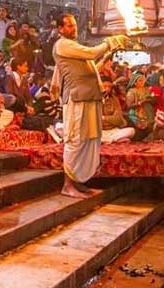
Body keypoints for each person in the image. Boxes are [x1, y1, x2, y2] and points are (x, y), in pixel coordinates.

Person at [51, 12, 126, 198]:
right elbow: (91, 53)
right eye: (68, 25)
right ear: (60, 29)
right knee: (75, 141)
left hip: (90, 99)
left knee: (88, 141)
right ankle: (67, 186)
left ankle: (79, 183)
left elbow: (91, 69)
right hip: (77, 100)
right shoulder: (62, 44)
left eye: (74, 24)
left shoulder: (73, 46)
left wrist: (109, 53)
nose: (73, 28)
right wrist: (110, 41)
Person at [101, 75, 134, 143]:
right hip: (99, 131)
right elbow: (95, 120)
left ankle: (108, 140)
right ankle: (115, 140)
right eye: (104, 86)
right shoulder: (94, 100)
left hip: (113, 130)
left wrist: (104, 118)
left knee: (131, 131)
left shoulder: (114, 99)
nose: (107, 89)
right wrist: (111, 119)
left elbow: (118, 119)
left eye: (109, 87)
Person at [126, 73, 155, 141]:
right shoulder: (131, 91)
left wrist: (151, 99)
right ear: (135, 83)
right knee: (141, 126)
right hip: (137, 112)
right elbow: (129, 105)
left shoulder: (146, 89)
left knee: (151, 125)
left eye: (143, 80)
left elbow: (151, 98)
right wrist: (139, 103)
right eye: (140, 80)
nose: (142, 82)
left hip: (148, 111)